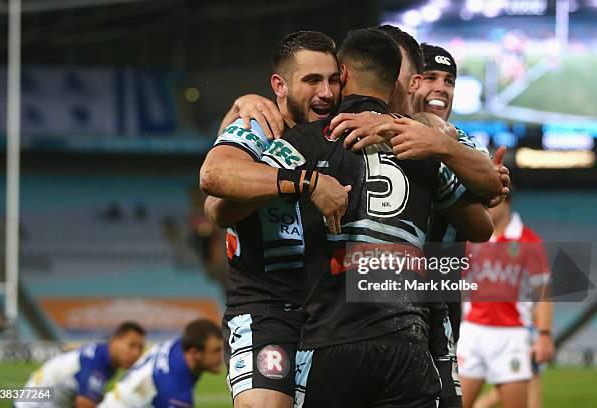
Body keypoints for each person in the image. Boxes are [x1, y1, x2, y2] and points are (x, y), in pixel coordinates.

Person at [260, 27, 493, 408]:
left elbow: (224, 193)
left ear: (344, 75)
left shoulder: (306, 138)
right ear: (396, 81)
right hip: (409, 340)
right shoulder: (422, 146)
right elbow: (484, 220)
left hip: (331, 337)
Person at [200, 31, 350, 408]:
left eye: (333, 80)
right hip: (266, 310)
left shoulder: (341, 131)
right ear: (279, 86)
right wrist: (305, 182)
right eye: (312, 80)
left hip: (329, 314)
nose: (326, 92)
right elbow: (214, 183)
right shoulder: (259, 126)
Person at [458, 193, 553, 408]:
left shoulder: (529, 240)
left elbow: (543, 292)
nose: (485, 208)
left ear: (506, 200)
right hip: (471, 333)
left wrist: (544, 335)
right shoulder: (470, 240)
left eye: (490, 202)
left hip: (512, 337)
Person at [16, 321, 145, 408]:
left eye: (140, 348)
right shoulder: (97, 363)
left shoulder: (102, 355)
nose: (135, 353)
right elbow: (84, 403)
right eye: (131, 346)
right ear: (115, 340)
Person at [99, 319, 223, 408]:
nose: (221, 356)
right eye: (216, 351)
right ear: (194, 353)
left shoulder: (179, 345)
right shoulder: (176, 391)